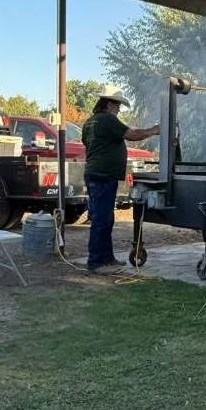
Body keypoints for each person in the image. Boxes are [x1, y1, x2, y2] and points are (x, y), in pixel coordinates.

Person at [81, 86, 159, 273]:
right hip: (102, 176)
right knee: (101, 220)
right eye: (117, 105)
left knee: (105, 219)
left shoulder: (90, 122)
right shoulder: (107, 119)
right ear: (108, 104)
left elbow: (87, 143)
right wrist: (154, 130)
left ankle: (107, 258)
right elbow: (132, 135)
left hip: (97, 174)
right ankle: (96, 262)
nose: (119, 109)